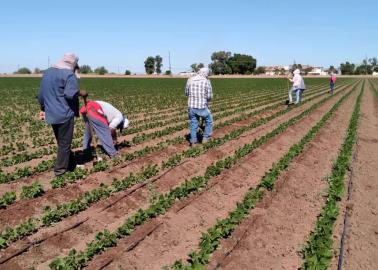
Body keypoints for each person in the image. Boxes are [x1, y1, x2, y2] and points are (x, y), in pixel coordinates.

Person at [38, 53, 84, 176]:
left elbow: (41, 95)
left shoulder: (47, 72)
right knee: (64, 143)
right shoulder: (69, 74)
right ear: (72, 64)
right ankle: (60, 171)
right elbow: (70, 94)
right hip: (64, 113)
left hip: (51, 113)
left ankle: (72, 164)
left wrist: (43, 109)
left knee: (62, 142)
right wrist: (81, 93)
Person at [185, 67, 213, 146]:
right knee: (209, 121)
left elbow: (186, 93)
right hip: (202, 107)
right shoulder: (206, 81)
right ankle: (206, 138)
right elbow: (209, 96)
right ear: (206, 73)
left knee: (193, 123)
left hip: (191, 107)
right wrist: (207, 102)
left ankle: (193, 142)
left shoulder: (190, 80)